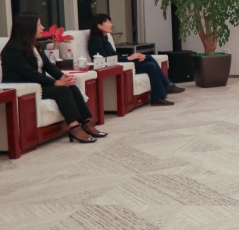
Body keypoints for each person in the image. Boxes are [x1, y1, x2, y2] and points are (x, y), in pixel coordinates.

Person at [1, 12, 106, 143]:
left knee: (71, 86)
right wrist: (56, 83)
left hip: (38, 84)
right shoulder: (13, 49)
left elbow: (49, 67)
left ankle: (86, 123)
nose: (43, 27)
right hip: (26, 88)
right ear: (28, 27)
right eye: (39, 25)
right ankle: (74, 127)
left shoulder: (34, 45)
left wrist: (64, 78)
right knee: (63, 91)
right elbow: (29, 73)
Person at [87, 13, 184, 106]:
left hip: (119, 64)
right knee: (148, 57)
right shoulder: (95, 40)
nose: (111, 25)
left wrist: (133, 56)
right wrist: (129, 58)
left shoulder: (105, 39)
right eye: (108, 22)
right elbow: (104, 59)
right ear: (99, 26)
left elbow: (115, 55)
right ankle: (167, 85)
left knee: (151, 65)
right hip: (113, 67)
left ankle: (157, 98)